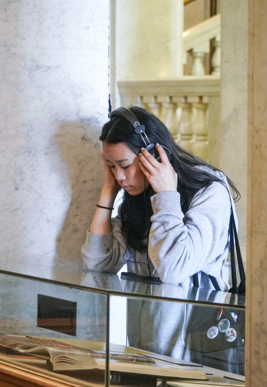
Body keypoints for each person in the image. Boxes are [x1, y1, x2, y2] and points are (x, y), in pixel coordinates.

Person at [81, 106, 240, 291]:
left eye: (124, 166)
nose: (119, 177)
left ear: (154, 156)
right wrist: (108, 191)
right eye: (112, 167)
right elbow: (97, 264)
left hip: (197, 316)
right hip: (143, 318)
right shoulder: (137, 195)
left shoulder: (210, 193)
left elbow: (173, 270)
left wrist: (166, 196)